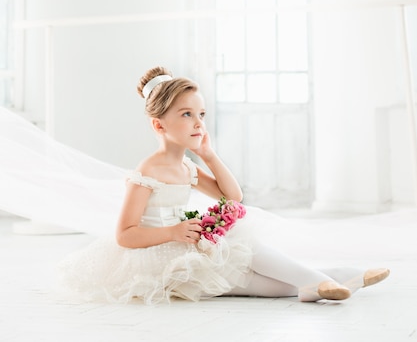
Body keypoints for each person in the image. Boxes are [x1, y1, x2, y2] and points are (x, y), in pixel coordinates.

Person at [58, 66, 390, 304]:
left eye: (201, 114)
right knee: (251, 281)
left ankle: (322, 280)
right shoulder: (149, 170)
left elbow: (232, 197)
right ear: (159, 124)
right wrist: (173, 232)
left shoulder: (187, 165)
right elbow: (125, 234)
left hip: (188, 240)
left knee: (248, 248)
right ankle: (331, 277)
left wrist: (209, 155)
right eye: (186, 115)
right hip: (160, 254)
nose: (198, 122)